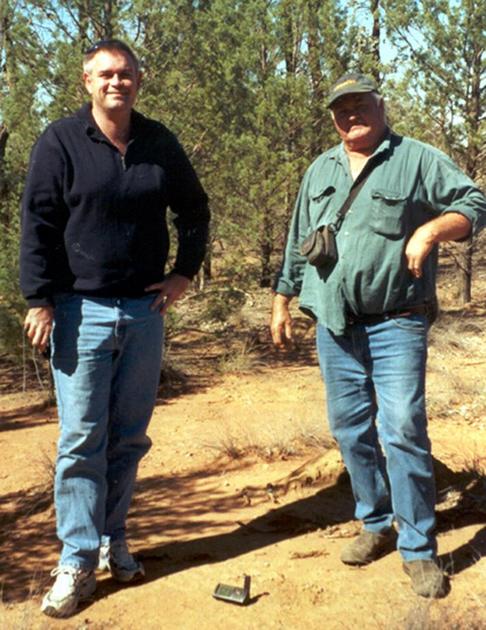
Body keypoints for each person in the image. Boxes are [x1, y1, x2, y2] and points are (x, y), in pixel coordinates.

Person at [270, 72, 485, 598]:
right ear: (333, 117)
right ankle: (374, 522)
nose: (351, 115)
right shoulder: (320, 168)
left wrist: (431, 229)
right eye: (341, 109)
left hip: (397, 320)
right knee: (350, 431)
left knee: (403, 430)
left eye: (361, 104)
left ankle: (418, 549)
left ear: (380, 106)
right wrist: (281, 300)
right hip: (334, 323)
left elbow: (474, 203)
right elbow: (301, 238)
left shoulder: (415, 159)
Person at [20, 39, 209, 618]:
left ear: (138, 81)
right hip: (80, 309)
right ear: (86, 81)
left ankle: (112, 539)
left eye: (125, 74)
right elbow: (38, 221)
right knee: (82, 439)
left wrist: (182, 273)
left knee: (128, 436)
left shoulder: (157, 141)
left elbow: (194, 208)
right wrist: (40, 299)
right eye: (105, 74)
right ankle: (76, 560)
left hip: (143, 311)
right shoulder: (60, 141)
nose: (116, 83)